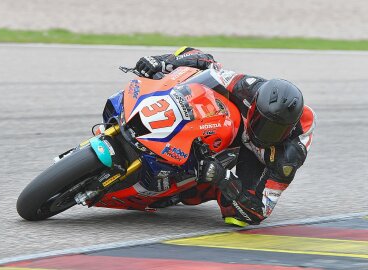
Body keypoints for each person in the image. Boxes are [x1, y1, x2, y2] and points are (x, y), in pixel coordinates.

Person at [135, 47, 316, 227]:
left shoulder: (289, 157)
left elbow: (260, 211)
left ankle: (181, 190)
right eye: (262, 122)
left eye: (275, 130)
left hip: (257, 157)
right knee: (194, 69)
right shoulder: (248, 88)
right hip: (235, 127)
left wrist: (223, 178)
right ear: (254, 106)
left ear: (289, 129)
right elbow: (209, 65)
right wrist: (164, 62)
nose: (264, 132)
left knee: (236, 215)